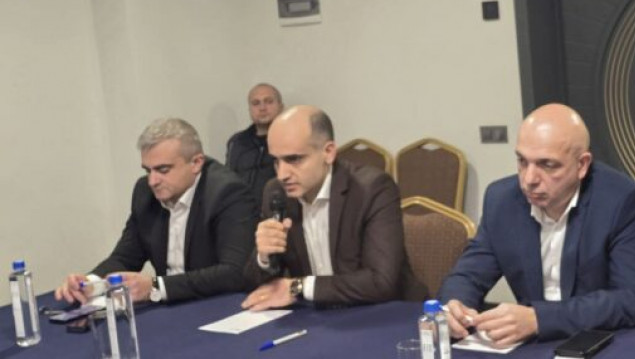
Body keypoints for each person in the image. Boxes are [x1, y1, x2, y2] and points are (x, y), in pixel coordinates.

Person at [438, 103, 635, 345]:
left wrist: (539, 319)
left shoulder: (622, 200)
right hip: (542, 344)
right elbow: (468, 275)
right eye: (522, 161)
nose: (529, 179)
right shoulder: (502, 200)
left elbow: (632, 300)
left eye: (547, 165)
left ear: (582, 165)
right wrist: (454, 307)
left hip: (620, 339)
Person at [241, 105, 427, 310]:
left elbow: (380, 282)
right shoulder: (276, 193)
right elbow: (256, 285)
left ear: (328, 152)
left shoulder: (371, 189)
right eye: (276, 161)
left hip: (383, 314)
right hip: (318, 317)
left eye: (294, 159)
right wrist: (264, 257)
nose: (282, 174)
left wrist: (299, 287)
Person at [55, 118, 257, 304]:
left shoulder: (227, 192)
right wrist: (90, 283)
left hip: (218, 304)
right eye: (147, 170)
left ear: (196, 163)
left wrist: (155, 287)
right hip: (170, 307)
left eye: (163, 170)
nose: (152, 181)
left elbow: (234, 272)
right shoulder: (145, 192)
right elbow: (125, 257)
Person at [225, 83, 284, 205]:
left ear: (280, 106)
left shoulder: (291, 139)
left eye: (268, 101)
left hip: (279, 210)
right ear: (249, 110)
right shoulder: (237, 142)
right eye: (256, 103)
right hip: (241, 211)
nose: (262, 108)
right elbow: (228, 181)